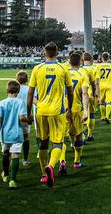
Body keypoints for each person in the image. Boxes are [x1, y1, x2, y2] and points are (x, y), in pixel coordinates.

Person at [27, 42, 73, 188]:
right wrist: (70, 109)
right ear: (57, 53)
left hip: (41, 111)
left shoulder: (37, 68)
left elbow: (30, 93)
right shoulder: (63, 68)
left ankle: (43, 175)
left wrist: (28, 113)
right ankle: (51, 167)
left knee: (43, 143)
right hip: (57, 111)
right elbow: (70, 92)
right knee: (58, 143)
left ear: (44, 52)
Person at [0, 80, 28, 189]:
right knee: (15, 155)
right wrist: (28, 119)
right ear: (18, 91)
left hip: (4, 134)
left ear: (7, 90)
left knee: (5, 153)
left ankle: (6, 175)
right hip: (17, 133)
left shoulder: (2, 102)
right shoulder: (20, 102)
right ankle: (12, 180)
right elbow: (22, 118)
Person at [68, 51, 90, 168]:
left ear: (69, 62)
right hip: (76, 108)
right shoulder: (82, 74)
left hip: (63, 109)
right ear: (80, 62)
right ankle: (76, 161)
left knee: (62, 137)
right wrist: (86, 110)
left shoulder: (63, 73)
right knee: (79, 134)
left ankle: (62, 161)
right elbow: (85, 93)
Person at [15, 70, 32, 167]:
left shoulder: (14, 88)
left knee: (15, 137)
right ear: (27, 79)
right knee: (26, 137)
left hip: (15, 115)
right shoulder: (29, 88)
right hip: (25, 115)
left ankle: (14, 156)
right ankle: (25, 159)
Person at [80, 52, 99, 141]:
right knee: (91, 114)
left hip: (82, 95)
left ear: (82, 60)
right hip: (91, 94)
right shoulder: (94, 68)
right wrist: (96, 94)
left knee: (82, 113)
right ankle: (90, 134)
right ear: (91, 60)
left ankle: (81, 132)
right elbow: (96, 83)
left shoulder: (80, 69)